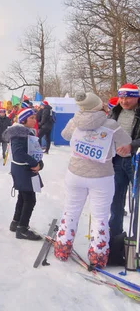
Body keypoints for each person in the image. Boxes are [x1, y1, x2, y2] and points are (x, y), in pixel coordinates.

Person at [54, 92, 131, 268]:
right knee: (100, 217)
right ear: (98, 105)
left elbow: (65, 135)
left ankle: (62, 249)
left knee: (71, 211)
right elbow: (126, 142)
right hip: (102, 176)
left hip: (75, 174)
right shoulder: (111, 124)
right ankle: (98, 256)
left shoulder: (75, 121)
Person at [3, 108, 44, 240]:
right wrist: (34, 163)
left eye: (34, 117)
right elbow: (19, 153)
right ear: (23, 120)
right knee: (30, 200)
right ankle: (22, 229)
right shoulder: (19, 133)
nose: (34, 120)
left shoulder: (26, 132)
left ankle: (16, 223)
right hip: (22, 170)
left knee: (23, 197)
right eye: (31, 118)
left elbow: (33, 151)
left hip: (24, 169)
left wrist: (39, 164)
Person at [107, 83, 140, 238]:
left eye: (128, 98)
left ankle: (136, 239)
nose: (124, 101)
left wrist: (132, 146)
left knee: (137, 202)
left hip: (136, 162)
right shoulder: (114, 111)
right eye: (121, 97)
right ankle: (114, 236)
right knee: (116, 198)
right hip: (117, 161)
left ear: (136, 97)